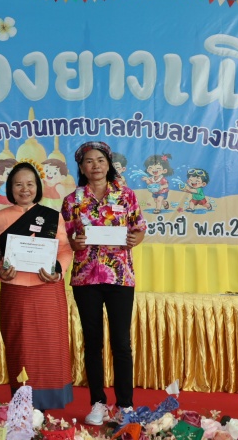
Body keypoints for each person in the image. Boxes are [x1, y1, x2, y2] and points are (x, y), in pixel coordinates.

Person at [61, 141, 147, 425]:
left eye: (100, 160)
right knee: (93, 342)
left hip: (120, 276)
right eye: (89, 161)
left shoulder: (126, 195)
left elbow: (139, 228)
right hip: (85, 277)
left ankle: (125, 405)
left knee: (121, 342)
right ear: (81, 167)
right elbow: (67, 238)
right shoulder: (72, 200)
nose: (95, 165)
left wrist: (135, 239)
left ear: (108, 164)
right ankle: (97, 402)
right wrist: (75, 243)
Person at [0, 162, 73, 411]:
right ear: (10, 188)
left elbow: (65, 250)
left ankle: (47, 404)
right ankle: (23, 403)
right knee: (21, 347)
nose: (24, 189)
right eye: (18, 184)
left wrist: (57, 270)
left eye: (30, 184)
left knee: (49, 346)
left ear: (38, 187)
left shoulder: (52, 216)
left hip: (47, 289)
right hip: (15, 291)